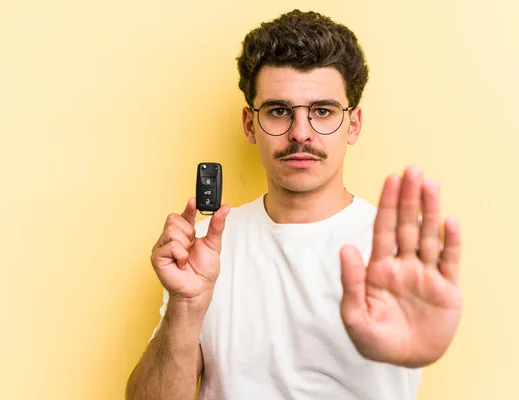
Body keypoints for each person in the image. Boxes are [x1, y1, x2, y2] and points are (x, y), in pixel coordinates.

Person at [126, 9, 462, 400]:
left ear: (353, 124)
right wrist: (186, 307)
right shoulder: (203, 250)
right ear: (250, 125)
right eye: (278, 111)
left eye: (322, 111)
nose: (300, 133)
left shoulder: (402, 253)